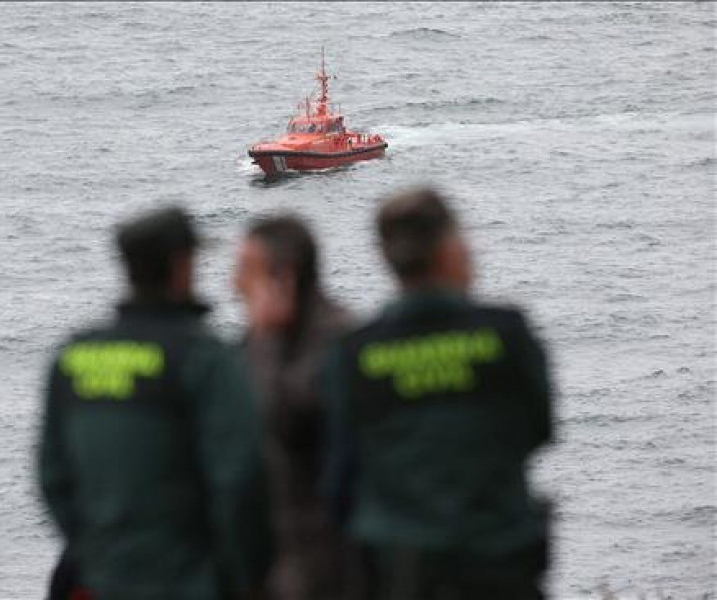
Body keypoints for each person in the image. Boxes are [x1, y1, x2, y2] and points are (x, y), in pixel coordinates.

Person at [323, 187, 555, 599]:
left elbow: (341, 474)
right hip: (498, 560)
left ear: (386, 257)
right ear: (450, 246)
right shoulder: (504, 334)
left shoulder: (355, 353)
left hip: (402, 570)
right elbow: (541, 427)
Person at [39, 206, 273, 599]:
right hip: (189, 579)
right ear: (181, 266)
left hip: (104, 578)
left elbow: (52, 478)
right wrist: (241, 574)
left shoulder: (73, 357)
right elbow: (241, 478)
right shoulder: (204, 358)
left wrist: (95, 553)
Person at [234, 215, 357, 600]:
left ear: (283, 278)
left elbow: (287, 419)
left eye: (245, 271)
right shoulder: (253, 346)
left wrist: (262, 338)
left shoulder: (338, 344)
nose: (233, 284)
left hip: (325, 562)